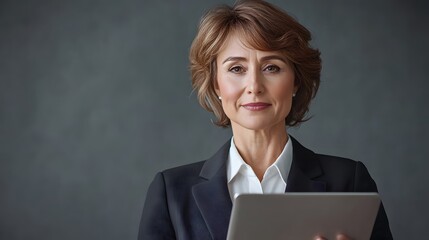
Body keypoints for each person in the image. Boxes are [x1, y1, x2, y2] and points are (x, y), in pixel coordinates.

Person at [138, 0, 393, 239]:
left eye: (271, 67)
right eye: (236, 69)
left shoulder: (349, 182)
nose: (254, 86)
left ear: (295, 81)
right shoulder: (170, 192)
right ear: (216, 84)